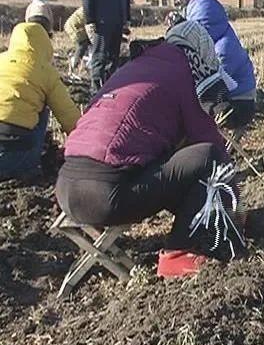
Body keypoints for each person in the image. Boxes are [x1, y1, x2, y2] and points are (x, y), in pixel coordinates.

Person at [55, 21, 243, 278]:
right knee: (210, 157)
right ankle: (177, 254)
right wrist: (234, 205)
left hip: (66, 188)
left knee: (171, 162)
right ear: (200, 54)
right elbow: (210, 145)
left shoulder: (136, 67)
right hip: (106, 194)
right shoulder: (183, 71)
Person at [0, 0, 81, 181]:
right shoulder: (46, 73)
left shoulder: (2, 60)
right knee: (42, 108)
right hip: (13, 158)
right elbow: (71, 121)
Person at [186, 0, 257, 134]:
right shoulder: (220, 34)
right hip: (235, 97)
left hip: (239, 104)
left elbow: (213, 85)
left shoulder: (223, 49)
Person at [63, 7, 92, 77]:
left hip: (79, 26)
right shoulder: (90, 11)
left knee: (89, 44)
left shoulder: (92, 7)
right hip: (73, 26)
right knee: (82, 45)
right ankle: (74, 65)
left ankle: (88, 64)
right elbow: (90, 28)